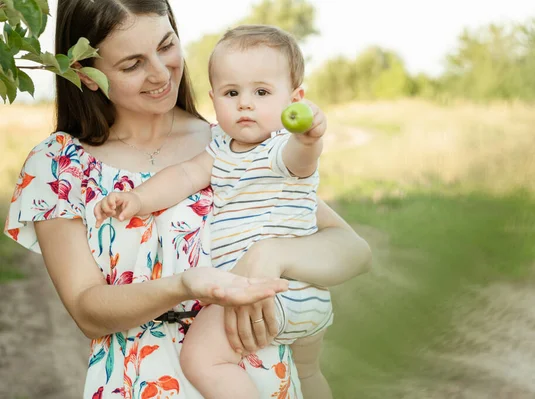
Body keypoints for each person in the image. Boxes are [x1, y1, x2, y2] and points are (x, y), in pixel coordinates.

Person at [3, 1, 371, 398]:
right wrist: (185, 286)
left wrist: (273, 254)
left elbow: (354, 251)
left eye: (166, 46)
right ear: (87, 75)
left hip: (263, 381)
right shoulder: (59, 167)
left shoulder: (235, 143)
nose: (161, 74)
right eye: (132, 64)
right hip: (139, 384)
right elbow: (88, 311)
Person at [93, 24, 332, 399]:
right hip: (306, 298)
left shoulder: (281, 148)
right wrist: (137, 199)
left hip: (268, 291)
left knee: (203, 359)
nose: (245, 103)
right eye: (232, 92)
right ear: (214, 99)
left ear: (294, 100)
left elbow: (301, 163)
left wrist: (308, 138)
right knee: (309, 374)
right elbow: (184, 176)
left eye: (262, 92)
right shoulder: (222, 149)